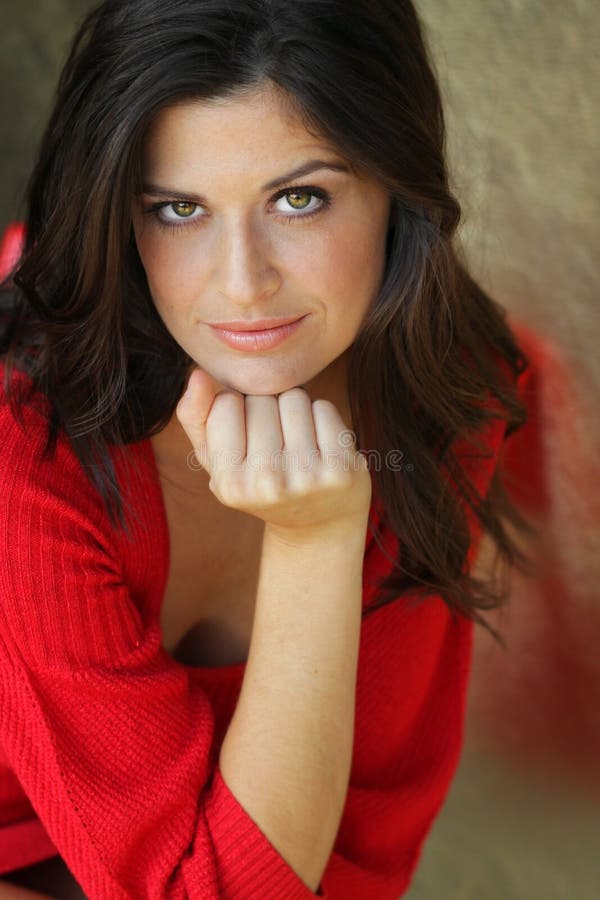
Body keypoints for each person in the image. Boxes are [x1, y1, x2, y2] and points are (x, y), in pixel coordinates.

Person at [0, 0, 535, 897]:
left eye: (299, 198)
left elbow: (358, 853)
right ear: (120, 219)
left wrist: (319, 537)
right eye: (179, 209)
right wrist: (314, 540)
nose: (244, 284)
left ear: (397, 189)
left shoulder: (445, 399)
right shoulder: (28, 454)